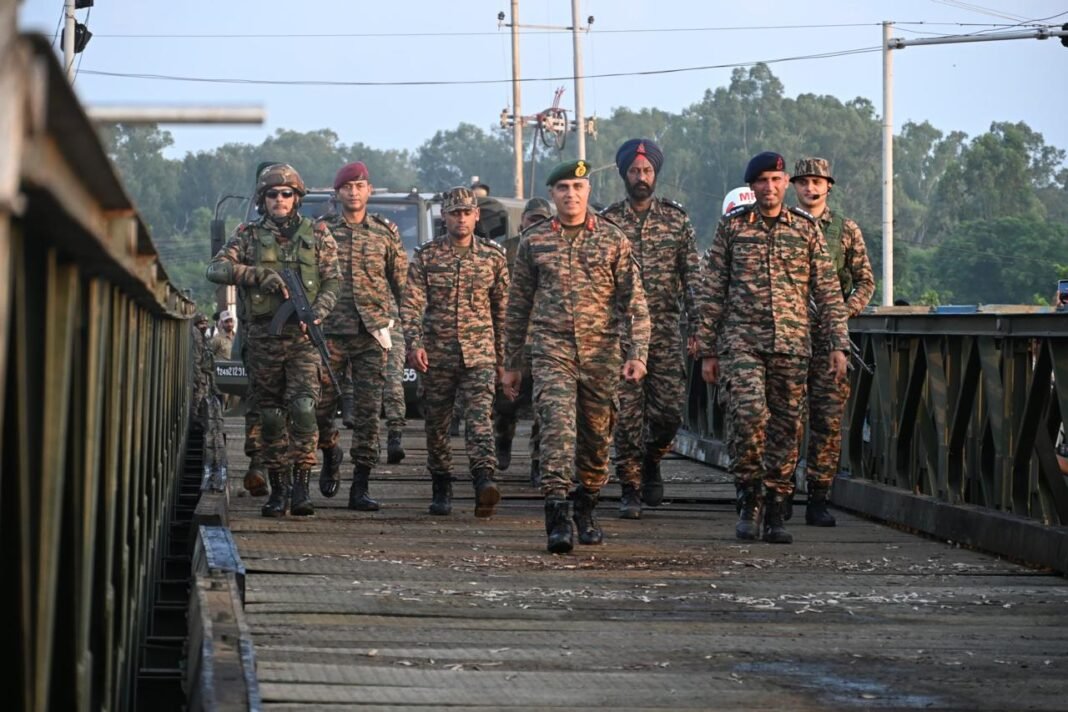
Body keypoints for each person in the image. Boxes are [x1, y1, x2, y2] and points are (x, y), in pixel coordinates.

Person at [694, 151, 850, 544]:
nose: (769, 187)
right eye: (761, 180)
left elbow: (828, 291)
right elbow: (712, 290)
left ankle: (777, 506)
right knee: (747, 418)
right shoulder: (732, 228)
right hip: (742, 343)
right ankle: (749, 498)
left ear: (786, 184)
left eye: (776, 180)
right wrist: (707, 350)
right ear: (752, 186)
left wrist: (837, 344)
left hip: (793, 345)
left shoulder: (805, 229)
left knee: (785, 428)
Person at [502, 160, 651, 554]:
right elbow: (518, 307)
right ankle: (557, 516)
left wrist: (637, 352)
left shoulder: (612, 240)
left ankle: (586, 504)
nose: (571, 194)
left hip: (601, 353)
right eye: (563, 187)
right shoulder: (535, 242)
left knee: (596, 439)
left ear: (588, 192)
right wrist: (511, 363)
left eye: (578, 187)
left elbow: (633, 303)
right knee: (555, 430)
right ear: (552, 195)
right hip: (552, 352)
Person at [206, 163, 339, 518]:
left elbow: (333, 282)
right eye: (272, 194)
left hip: (302, 338)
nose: (279, 200)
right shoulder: (248, 235)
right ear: (262, 199)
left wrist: (317, 314)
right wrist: (256, 275)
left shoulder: (319, 234)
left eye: (286, 194)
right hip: (264, 337)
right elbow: (216, 269)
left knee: (303, 408)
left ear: (297, 197)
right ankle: (277, 488)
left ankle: (301, 486)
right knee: (270, 415)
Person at [601, 138, 701, 518]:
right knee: (626, 414)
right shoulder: (609, 222)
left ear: (656, 174)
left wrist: (698, 328)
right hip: (622, 334)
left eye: (647, 171)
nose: (641, 177)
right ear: (624, 174)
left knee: (668, 413)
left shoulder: (676, 220)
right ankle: (630, 488)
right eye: (634, 171)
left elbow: (692, 276)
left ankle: (652, 458)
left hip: (664, 329)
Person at [401, 186, 510, 517]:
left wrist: (505, 361)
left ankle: (483, 480)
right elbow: (411, 304)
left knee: (479, 419)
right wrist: (414, 343)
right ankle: (442, 484)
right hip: (438, 355)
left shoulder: (493, 257)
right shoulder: (427, 257)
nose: (461, 219)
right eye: (454, 213)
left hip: (480, 355)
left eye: (466, 212)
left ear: (476, 215)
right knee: (437, 423)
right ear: (444, 217)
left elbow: (504, 312)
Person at [315, 161, 407, 510]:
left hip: (372, 333)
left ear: (369, 191)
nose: (353, 192)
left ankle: (361, 486)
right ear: (337, 193)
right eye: (347, 187)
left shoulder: (385, 233)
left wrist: (411, 330)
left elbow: (401, 283)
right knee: (321, 407)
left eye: (359, 186)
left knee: (369, 412)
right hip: (331, 332)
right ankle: (330, 453)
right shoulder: (321, 232)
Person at [790, 157, 875, 527]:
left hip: (830, 340)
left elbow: (865, 281)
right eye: (805, 181)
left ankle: (819, 498)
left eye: (818, 182)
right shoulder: (784, 225)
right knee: (784, 421)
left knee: (826, 422)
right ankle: (779, 493)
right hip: (788, 337)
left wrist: (842, 312)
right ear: (794, 185)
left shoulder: (845, 230)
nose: (811, 188)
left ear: (828, 186)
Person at [494, 197, 552, 485]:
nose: (537, 225)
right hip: (514, 336)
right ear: (522, 222)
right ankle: (503, 439)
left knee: (545, 405)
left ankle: (539, 461)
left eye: (542, 220)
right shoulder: (506, 251)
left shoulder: (556, 248)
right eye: (532, 220)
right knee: (506, 402)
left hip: (545, 339)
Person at [191, 313, 227, 491]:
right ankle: (194, 420)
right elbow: (197, 358)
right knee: (198, 399)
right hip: (200, 375)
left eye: (206, 322)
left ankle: (197, 419)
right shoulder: (196, 335)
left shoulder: (202, 336)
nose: (204, 325)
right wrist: (198, 378)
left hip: (206, 375)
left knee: (205, 398)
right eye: (201, 322)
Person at [382, 320, 408, 463]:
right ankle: (369, 443)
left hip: (392, 331)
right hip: (364, 332)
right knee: (368, 392)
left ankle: (395, 438)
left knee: (394, 386)